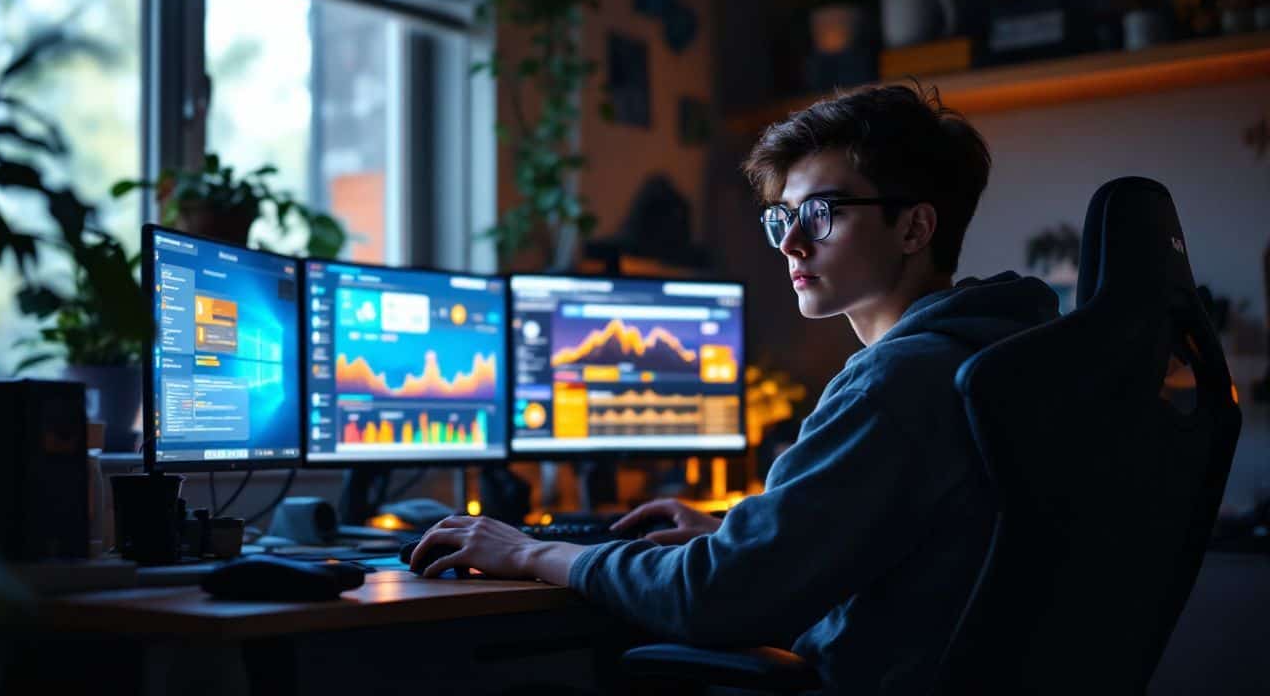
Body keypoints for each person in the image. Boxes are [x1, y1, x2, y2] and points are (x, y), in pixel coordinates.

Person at [409, 83, 1060, 693]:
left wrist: (530, 550)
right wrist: (735, 534)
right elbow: (902, 555)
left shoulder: (896, 384)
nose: (793, 243)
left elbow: (715, 600)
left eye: (821, 213)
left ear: (915, 229)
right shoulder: (994, 359)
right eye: (783, 218)